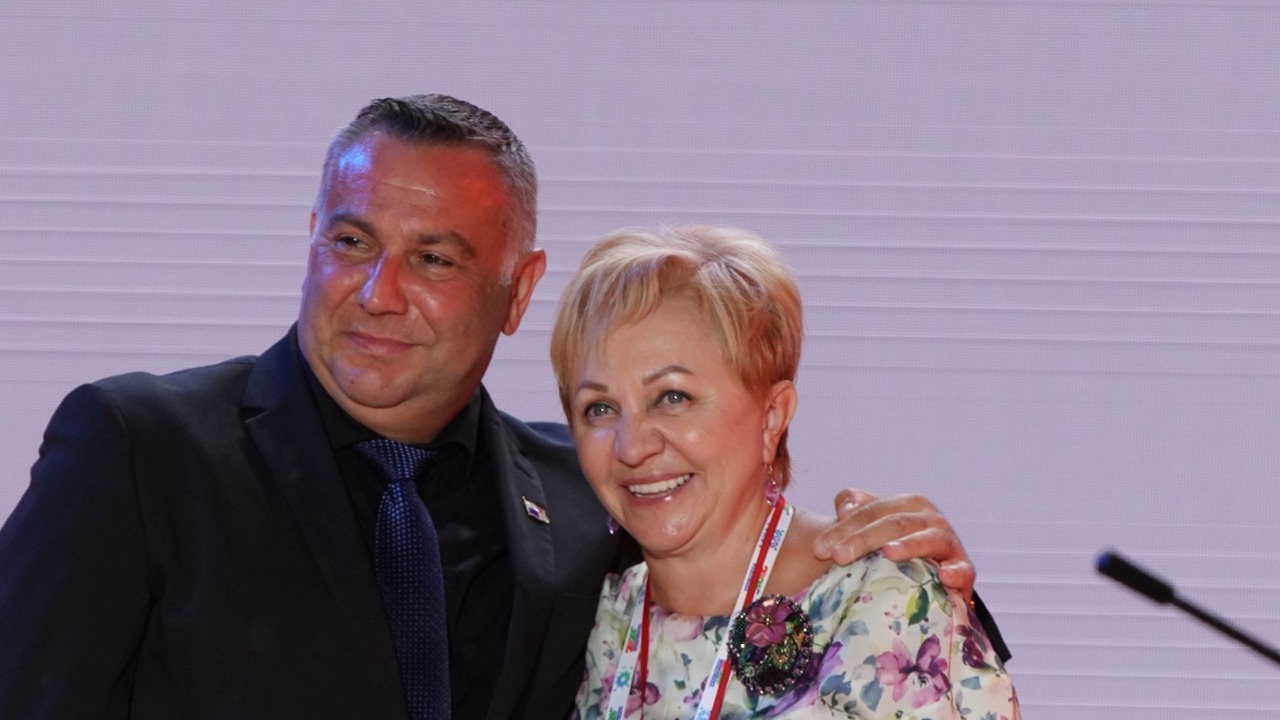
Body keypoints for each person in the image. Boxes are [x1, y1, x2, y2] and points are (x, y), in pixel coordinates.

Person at [0, 95, 1002, 720]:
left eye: (434, 259)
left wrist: (922, 570)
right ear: (310, 237)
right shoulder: (139, 452)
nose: (379, 292)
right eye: (351, 242)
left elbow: (748, 561)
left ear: (517, 292)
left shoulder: (585, 503)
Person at [552, 225, 1018, 718]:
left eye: (672, 397)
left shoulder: (881, 600)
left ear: (772, 417)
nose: (631, 446)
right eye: (599, 408)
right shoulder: (601, 618)